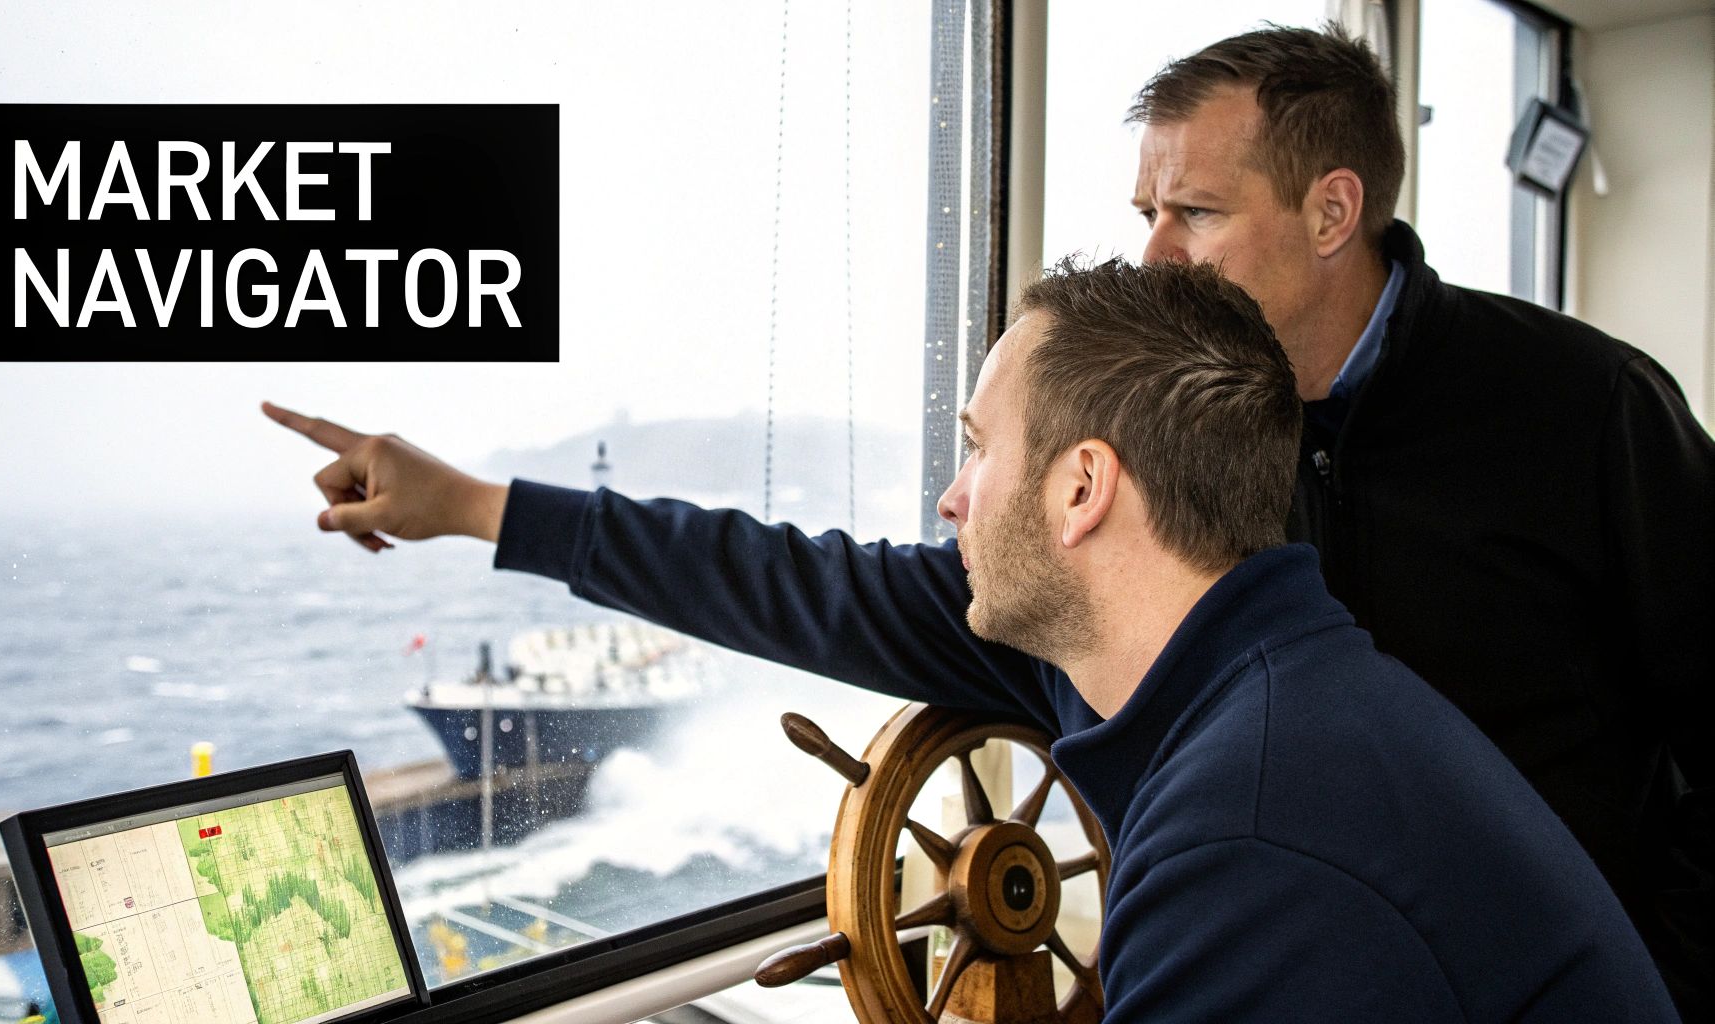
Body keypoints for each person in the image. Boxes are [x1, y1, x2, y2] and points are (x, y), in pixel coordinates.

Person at [266, 258, 1677, 1021]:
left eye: (978, 448)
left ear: (1080, 492)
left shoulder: (1251, 840)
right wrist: (473, 506)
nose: (949, 498)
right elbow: (789, 583)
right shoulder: (1262, 684)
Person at [1123, 26, 1713, 1017]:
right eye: (1147, 211)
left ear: (1331, 212)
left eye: (1194, 210)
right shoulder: (1197, 441)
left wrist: (1673, 987)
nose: (1153, 253)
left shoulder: (1586, 401)